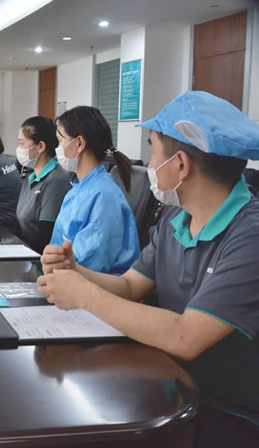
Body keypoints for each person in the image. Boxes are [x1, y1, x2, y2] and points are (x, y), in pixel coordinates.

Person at [37, 91, 259, 448]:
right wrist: (75, 271)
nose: (150, 163)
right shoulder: (176, 217)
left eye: (153, 150)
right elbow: (129, 286)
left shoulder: (250, 236)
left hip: (227, 411)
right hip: (168, 381)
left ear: (180, 164)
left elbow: (186, 337)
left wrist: (84, 295)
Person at [50, 106, 139, 274]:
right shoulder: (79, 188)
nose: (58, 147)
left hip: (92, 285)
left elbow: (91, 264)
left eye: (60, 140)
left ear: (79, 143)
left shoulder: (103, 196)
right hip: (67, 278)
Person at [16, 116, 72, 253]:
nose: (18, 149)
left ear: (40, 146)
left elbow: (46, 236)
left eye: (22, 143)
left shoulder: (56, 180)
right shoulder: (30, 178)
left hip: (41, 256)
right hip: (26, 251)